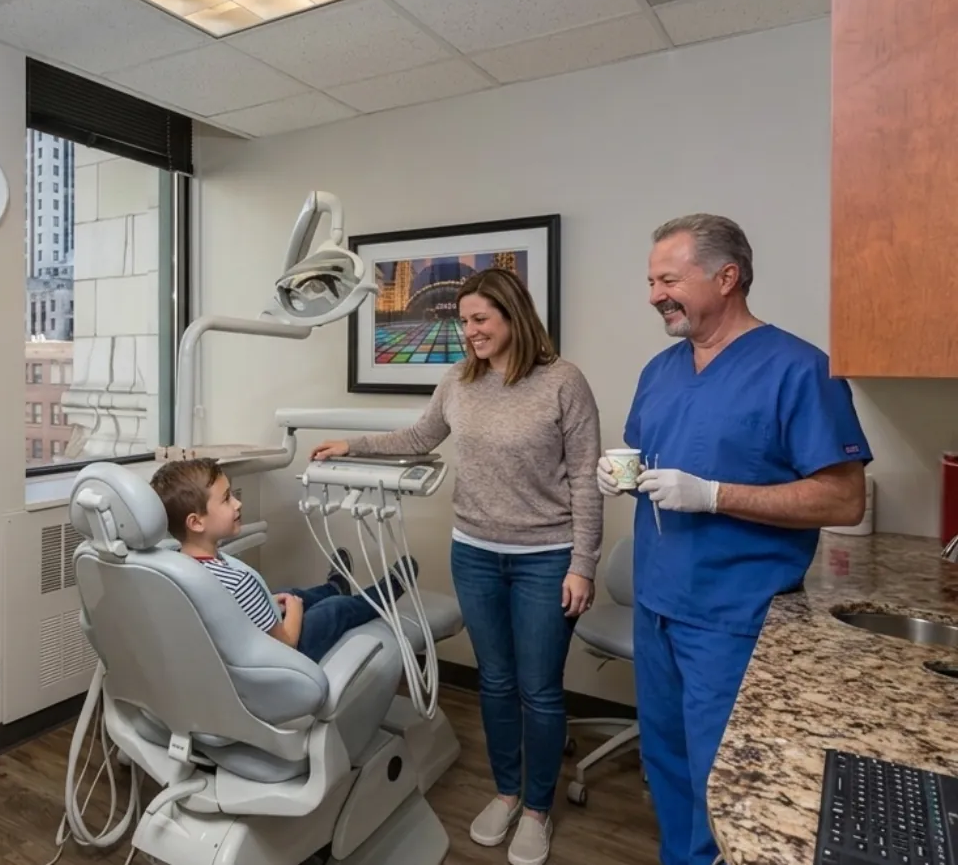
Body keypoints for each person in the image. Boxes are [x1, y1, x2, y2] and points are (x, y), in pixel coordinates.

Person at [597, 214, 871, 865]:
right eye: (650, 280)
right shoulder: (660, 371)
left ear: (726, 278)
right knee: (665, 760)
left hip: (734, 618)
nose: (653, 294)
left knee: (724, 780)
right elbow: (651, 457)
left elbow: (843, 497)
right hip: (657, 604)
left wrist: (717, 495)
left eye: (667, 279)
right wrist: (622, 473)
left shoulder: (801, 369)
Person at [312, 267, 603, 865]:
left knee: (540, 690)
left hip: (546, 559)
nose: (468, 331)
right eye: (464, 321)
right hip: (473, 552)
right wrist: (351, 444)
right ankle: (504, 792)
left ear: (512, 316)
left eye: (480, 320)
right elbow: (419, 435)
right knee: (495, 682)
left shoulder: (563, 382)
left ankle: (537, 809)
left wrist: (583, 564)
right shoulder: (459, 381)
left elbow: (586, 482)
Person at [150, 457, 417, 663]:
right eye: (227, 499)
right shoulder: (237, 582)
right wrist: (296, 611)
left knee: (287, 594)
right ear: (196, 522)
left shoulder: (172, 567)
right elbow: (286, 644)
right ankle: (381, 595)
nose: (237, 504)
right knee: (334, 609)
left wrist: (274, 602)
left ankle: (333, 587)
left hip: (235, 646)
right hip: (279, 661)